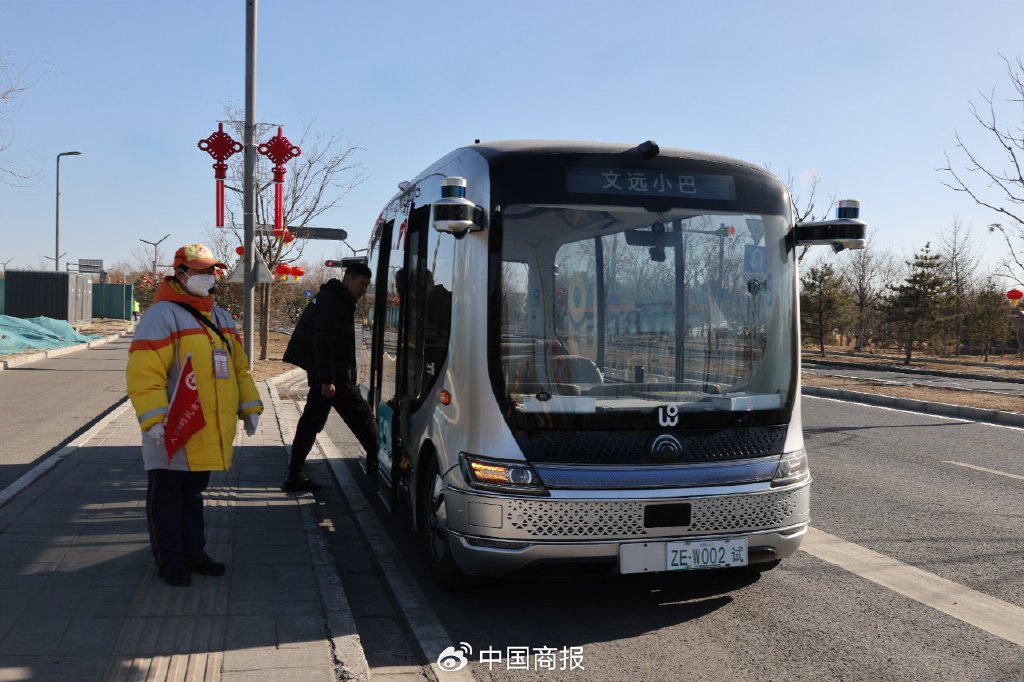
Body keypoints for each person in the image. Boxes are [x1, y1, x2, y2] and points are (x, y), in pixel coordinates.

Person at [125, 243, 263, 587]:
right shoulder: (161, 315)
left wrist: (250, 406)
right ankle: (170, 560)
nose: (207, 277)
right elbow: (145, 372)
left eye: (211, 270)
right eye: (199, 271)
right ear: (180, 273)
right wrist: (154, 418)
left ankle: (194, 554)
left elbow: (239, 370)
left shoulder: (221, 317)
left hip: (205, 430)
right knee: (167, 497)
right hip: (172, 429)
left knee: (192, 496)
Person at [282, 262, 379, 492]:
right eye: (361, 284)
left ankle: (294, 475)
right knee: (361, 416)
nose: (363, 289)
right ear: (347, 278)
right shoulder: (333, 301)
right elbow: (323, 343)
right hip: (331, 375)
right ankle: (379, 461)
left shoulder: (335, 298)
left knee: (311, 422)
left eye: (366, 285)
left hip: (327, 372)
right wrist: (327, 379)